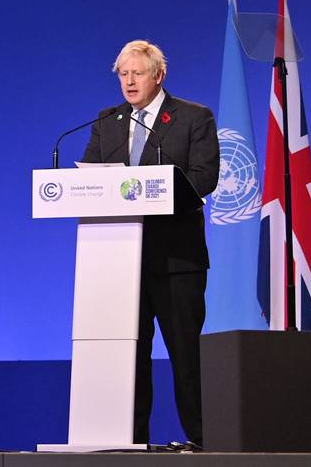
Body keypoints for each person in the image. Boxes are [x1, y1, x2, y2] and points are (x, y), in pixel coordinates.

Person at [81, 40, 219, 449]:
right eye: (122, 74)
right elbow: (90, 175)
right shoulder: (108, 120)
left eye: (137, 73)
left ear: (158, 75)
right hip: (120, 261)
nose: (128, 81)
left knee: (186, 356)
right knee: (128, 359)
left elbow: (204, 176)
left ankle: (205, 440)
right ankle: (128, 441)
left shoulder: (194, 117)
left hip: (176, 259)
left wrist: (153, 189)